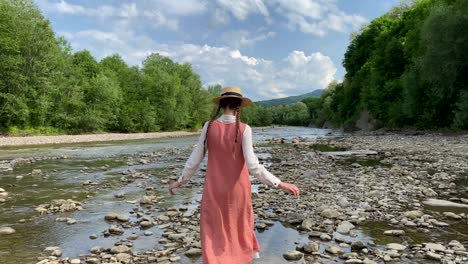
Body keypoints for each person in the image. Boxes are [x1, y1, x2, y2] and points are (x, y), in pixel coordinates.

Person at [168, 86, 300, 263]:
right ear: (239, 107)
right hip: (238, 191)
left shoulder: (208, 127)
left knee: (213, 231)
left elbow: (195, 158)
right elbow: (253, 166)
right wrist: (279, 183)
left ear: (221, 105)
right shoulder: (245, 129)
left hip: (214, 191)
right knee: (239, 229)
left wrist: (181, 181)